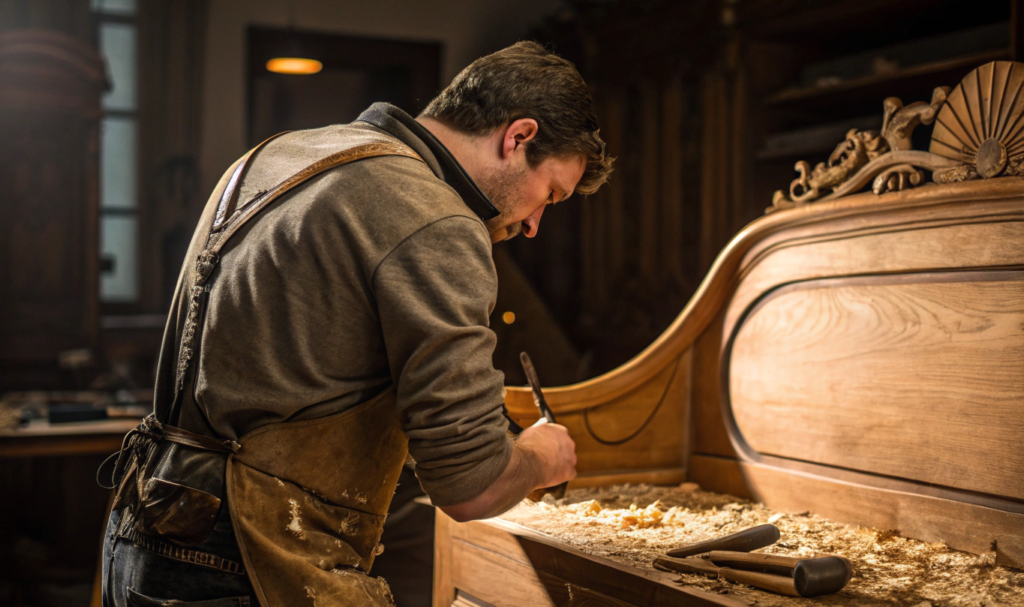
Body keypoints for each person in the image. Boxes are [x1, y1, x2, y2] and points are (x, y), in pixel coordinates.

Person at [100, 41, 612, 607]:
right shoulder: (434, 215)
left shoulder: (277, 157)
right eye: (550, 194)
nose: (536, 223)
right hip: (250, 558)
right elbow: (471, 485)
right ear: (518, 138)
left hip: (147, 528)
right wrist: (543, 455)